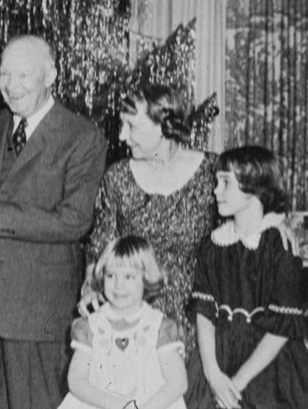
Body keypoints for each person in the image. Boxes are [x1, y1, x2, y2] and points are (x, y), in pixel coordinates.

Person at [0, 34, 107, 409]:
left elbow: (75, 221)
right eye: (4, 74)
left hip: (40, 310)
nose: (10, 86)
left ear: (51, 75)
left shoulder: (82, 136)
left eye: (23, 75)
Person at [78, 85, 218, 354]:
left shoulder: (212, 172)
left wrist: (278, 225)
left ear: (164, 125)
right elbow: (99, 250)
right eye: (121, 126)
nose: (122, 136)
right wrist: (90, 289)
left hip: (198, 319)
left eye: (132, 126)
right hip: (131, 313)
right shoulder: (118, 177)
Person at [185, 146, 308, 408]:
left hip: (269, 366)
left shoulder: (280, 246)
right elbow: (204, 312)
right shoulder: (213, 244)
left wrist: (236, 385)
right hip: (219, 360)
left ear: (254, 187)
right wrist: (212, 373)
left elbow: (281, 329)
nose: (215, 190)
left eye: (225, 182)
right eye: (216, 181)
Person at [60, 235, 187, 409]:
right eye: (111, 275)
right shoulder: (92, 325)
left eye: (129, 277)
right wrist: (113, 404)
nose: (118, 285)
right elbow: (76, 379)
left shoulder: (159, 327)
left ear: (146, 278)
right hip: (100, 404)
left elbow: (177, 382)